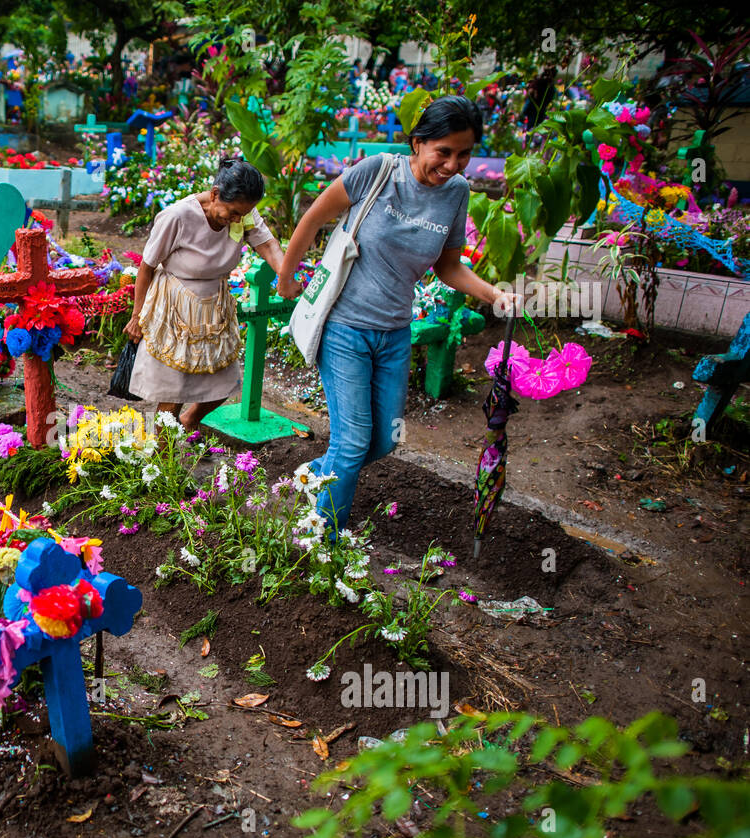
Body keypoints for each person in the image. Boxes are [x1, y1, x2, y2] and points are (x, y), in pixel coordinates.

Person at [276, 96, 518, 534]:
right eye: (443, 151)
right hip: (344, 327)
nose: (453, 164)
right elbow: (312, 219)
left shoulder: (457, 193)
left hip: (394, 334)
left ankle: (314, 476)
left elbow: (448, 266)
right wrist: (285, 279)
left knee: (385, 440)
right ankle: (324, 541)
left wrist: (492, 294)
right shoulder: (377, 170)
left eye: (464, 154)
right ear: (418, 143)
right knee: (351, 443)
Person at [123, 158, 286, 430]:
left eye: (242, 215)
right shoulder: (177, 216)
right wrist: (137, 315)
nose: (237, 220)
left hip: (213, 307)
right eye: (232, 212)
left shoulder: (243, 212)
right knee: (172, 394)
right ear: (214, 194)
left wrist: (285, 274)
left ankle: (190, 420)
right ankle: (164, 465)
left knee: (224, 383)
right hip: (175, 307)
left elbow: (267, 244)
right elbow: (147, 267)